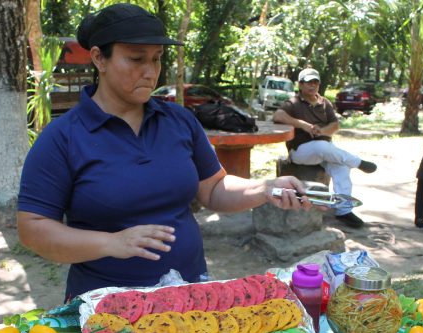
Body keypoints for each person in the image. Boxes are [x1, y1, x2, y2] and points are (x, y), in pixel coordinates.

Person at [17, 3, 312, 300]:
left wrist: (265, 188)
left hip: (188, 295)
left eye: (156, 59)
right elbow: (33, 229)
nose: (150, 72)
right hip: (106, 305)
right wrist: (112, 243)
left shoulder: (179, 121)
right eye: (136, 59)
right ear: (99, 58)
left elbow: (214, 188)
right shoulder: (63, 137)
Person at [272, 68, 378, 229]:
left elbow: (335, 125)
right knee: (322, 146)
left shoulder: (324, 103)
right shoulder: (293, 103)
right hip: (300, 151)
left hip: (324, 150)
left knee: (341, 167)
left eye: (315, 82)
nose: (312, 85)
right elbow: (277, 116)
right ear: (300, 84)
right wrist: (304, 125)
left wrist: (320, 131)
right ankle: (357, 162)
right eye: (308, 82)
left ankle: (344, 211)